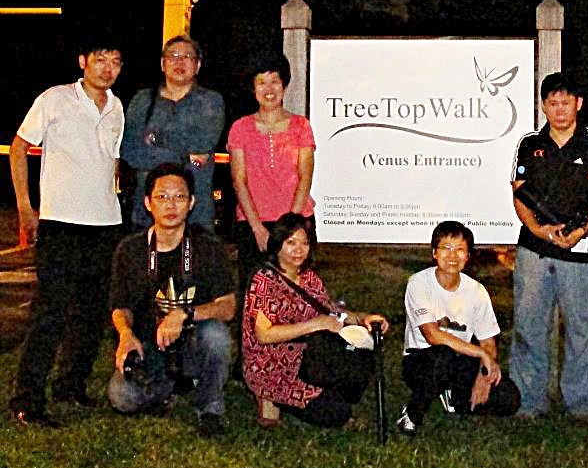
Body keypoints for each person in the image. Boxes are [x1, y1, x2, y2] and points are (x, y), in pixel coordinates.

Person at [8, 37, 125, 426]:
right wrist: (25, 207)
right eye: (100, 59)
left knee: (90, 312)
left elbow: (112, 163)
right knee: (50, 312)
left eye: (115, 61)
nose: (107, 68)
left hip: (105, 224)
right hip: (61, 222)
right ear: (82, 62)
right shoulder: (54, 99)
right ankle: (27, 398)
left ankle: (71, 385)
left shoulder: (116, 107)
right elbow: (19, 149)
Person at [509, 72, 588, 420]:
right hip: (534, 250)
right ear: (544, 106)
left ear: (578, 104)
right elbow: (518, 191)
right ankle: (528, 400)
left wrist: (582, 230)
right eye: (552, 103)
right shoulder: (529, 143)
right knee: (528, 325)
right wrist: (538, 230)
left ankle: (581, 402)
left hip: (579, 251)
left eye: (566, 102)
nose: (559, 109)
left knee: (581, 328)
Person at [107, 163, 236, 436]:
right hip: (149, 345)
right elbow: (120, 306)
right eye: (162, 197)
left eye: (179, 197)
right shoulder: (130, 249)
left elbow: (228, 306)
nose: (171, 205)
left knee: (217, 337)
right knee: (122, 398)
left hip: (192, 341)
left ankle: (209, 407)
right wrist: (126, 335)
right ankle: (172, 386)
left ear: (191, 203)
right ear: (147, 203)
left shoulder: (208, 247)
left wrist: (184, 314)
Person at [242, 213, 389, 428]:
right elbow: (264, 335)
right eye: (290, 243)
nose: (298, 250)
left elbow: (330, 311)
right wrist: (315, 324)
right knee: (337, 413)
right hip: (272, 364)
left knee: (360, 367)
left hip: (309, 356)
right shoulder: (264, 280)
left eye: (305, 243)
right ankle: (270, 396)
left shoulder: (308, 277)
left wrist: (363, 318)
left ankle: (309, 396)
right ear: (277, 244)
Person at [396, 221, 520, 436]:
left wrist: (483, 376)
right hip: (421, 360)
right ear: (434, 253)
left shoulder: (476, 290)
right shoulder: (418, 282)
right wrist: (480, 353)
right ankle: (412, 415)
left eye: (460, 249)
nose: (452, 255)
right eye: (446, 248)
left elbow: (488, 341)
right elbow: (433, 335)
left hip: (460, 360)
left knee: (509, 398)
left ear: (468, 256)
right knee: (442, 356)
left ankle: (455, 399)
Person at [227, 54, 316, 283]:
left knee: (298, 291)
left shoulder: (301, 126)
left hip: (296, 221)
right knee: (254, 292)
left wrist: (290, 230)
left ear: (284, 85)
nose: (269, 89)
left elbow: (305, 177)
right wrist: (258, 229)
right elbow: (239, 181)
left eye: (275, 81)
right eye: (261, 82)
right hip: (253, 224)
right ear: (253, 88)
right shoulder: (240, 128)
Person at [121, 35, 225, 229]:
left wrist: (155, 139)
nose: (179, 62)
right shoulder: (143, 100)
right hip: (148, 214)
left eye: (187, 57)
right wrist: (186, 156)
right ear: (162, 64)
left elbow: (203, 143)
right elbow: (131, 151)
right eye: (173, 56)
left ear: (198, 65)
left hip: (197, 213)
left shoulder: (210, 101)